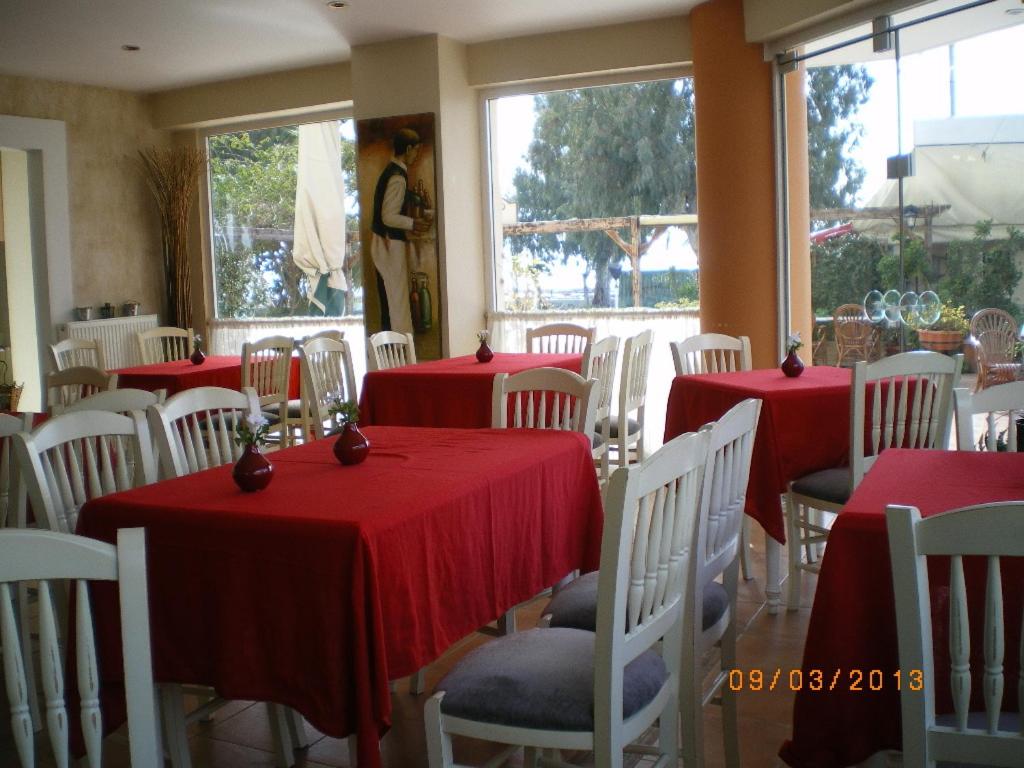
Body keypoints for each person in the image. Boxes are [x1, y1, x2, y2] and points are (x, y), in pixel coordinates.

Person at [369, 128, 430, 332]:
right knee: (397, 300)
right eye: (416, 150)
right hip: (389, 243)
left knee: (393, 299)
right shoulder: (397, 177)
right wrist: (413, 223)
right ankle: (401, 346)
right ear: (409, 149)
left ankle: (396, 344)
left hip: (383, 241)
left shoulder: (392, 172)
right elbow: (388, 216)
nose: (416, 155)